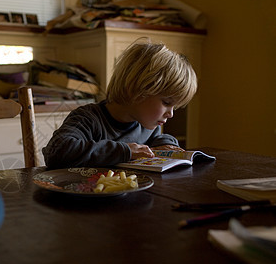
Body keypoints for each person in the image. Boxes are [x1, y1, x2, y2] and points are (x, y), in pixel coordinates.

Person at [42, 38, 197, 169]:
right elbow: (56, 151)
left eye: (174, 107)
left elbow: (156, 140)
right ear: (136, 90)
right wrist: (125, 151)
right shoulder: (87, 119)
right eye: (166, 102)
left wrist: (165, 145)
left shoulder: (146, 124)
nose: (170, 114)